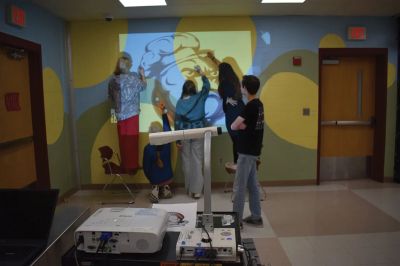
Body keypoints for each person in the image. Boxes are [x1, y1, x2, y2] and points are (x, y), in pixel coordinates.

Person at [231, 75, 264, 226]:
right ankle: (256, 216)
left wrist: (241, 126)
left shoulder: (249, 106)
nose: (240, 87)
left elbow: (233, 126)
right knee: (252, 186)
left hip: (245, 153)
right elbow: (250, 126)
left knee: (239, 188)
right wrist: (244, 126)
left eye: (241, 85)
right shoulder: (259, 104)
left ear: (245, 88)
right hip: (254, 151)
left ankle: (236, 221)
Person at [175, 66, 210, 199]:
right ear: (194, 89)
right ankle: (196, 191)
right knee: (197, 160)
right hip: (198, 132)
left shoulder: (179, 103)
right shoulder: (199, 97)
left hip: (184, 133)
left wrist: (178, 140)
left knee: (186, 161)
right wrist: (201, 73)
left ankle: (189, 188)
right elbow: (207, 86)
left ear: (183, 90)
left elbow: (177, 122)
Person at [108, 52, 147, 173]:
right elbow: (144, 86)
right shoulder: (134, 77)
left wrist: (113, 118)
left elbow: (111, 100)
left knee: (123, 141)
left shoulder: (113, 80)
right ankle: (132, 167)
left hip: (119, 116)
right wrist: (142, 75)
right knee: (131, 140)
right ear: (129, 65)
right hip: (131, 116)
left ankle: (126, 166)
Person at [208, 52, 244, 164]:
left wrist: (226, 99)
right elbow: (222, 66)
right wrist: (213, 58)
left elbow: (227, 96)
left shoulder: (224, 83)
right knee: (240, 143)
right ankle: (241, 167)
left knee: (236, 143)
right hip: (240, 112)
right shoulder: (235, 79)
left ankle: (238, 167)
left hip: (232, 115)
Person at [143, 104, 173, 203]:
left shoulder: (148, 149)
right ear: (161, 132)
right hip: (168, 176)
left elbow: (146, 168)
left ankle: (155, 189)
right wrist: (164, 112)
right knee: (165, 172)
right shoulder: (167, 142)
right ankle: (165, 188)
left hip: (155, 178)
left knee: (153, 173)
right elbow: (167, 127)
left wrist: (150, 179)